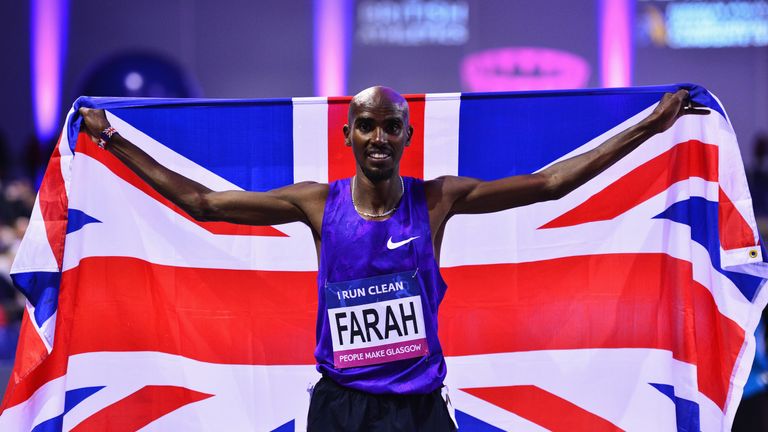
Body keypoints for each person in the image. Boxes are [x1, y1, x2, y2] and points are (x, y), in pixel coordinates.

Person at [79, 86, 706, 431]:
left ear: (408, 136)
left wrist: (651, 126)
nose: (379, 136)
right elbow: (202, 201)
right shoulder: (317, 206)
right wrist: (110, 138)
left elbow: (550, 185)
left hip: (419, 412)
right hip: (341, 408)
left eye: (391, 126)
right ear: (347, 134)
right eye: (367, 125)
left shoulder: (438, 201)